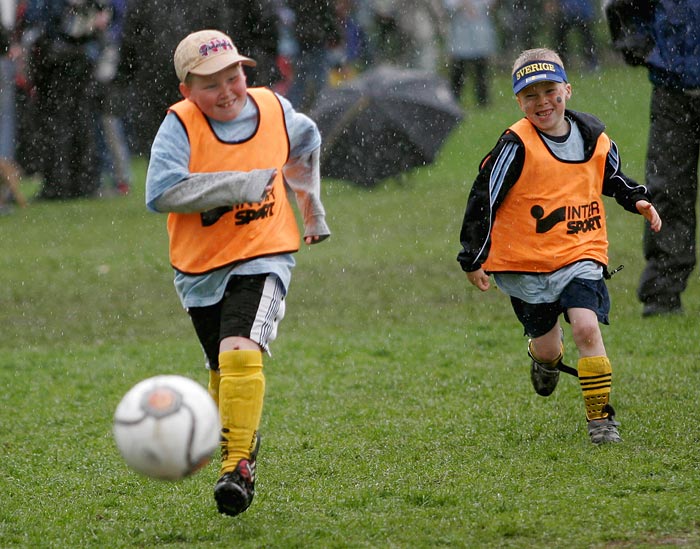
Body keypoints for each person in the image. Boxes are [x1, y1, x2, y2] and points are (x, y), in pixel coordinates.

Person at [145, 29, 330, 516]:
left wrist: (312, 212)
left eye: (234, 76)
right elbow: (159, 192)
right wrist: (234, 186)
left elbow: (305, 143)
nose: (227, 91)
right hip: (200, 267)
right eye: (210, 85)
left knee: (240, 352)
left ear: (245, 71)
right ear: (186, 91)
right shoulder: (179, 126)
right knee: (219, 369)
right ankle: (238, 438)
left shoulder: (274, 108)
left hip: (265, 252)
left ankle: (237, 466)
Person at [456, 48, 662, 445]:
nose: (542, 102)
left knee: (586, 329)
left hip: (580, 252)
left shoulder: (592, 135)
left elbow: (611, 175)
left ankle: (601, 420)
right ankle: (545, 363)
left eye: (550, 91)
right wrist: (473, 257)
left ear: (567, 90)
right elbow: (484, 197)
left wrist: (635, 197)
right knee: (549, 347)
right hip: (525, 263)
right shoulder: (515, 145)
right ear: (518, 101)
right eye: (530, 96)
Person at [636, 0, 700, 317]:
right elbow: (622, 8)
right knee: (668, 188)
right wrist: (641, 47)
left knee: (668, 188)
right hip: (671, 87)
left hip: (671, 76)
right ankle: (662, 293)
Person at [443, 0, 497, 106]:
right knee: (458, 70)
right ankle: (454, 98)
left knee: (481, 71)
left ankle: (482, 100)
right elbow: (449, 6)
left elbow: (490, 4)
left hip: (480, 33)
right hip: (460, 34)